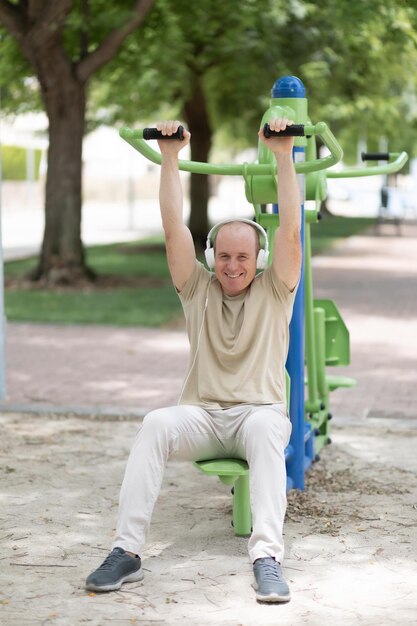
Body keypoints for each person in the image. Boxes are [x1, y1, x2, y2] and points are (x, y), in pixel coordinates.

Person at [85, 118, 302, 603]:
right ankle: (126, 551)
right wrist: (169, 157)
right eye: (223, 256)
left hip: (257, 414)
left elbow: (290, 230)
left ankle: (267, 557)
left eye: (243, 257)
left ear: (260, 261)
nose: (232, 266)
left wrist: (283, 155)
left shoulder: (275, 289)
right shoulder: (197, 289)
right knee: (155, 423)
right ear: (211, 256)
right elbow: (171, 228)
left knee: (270, 429)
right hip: (202, 415)